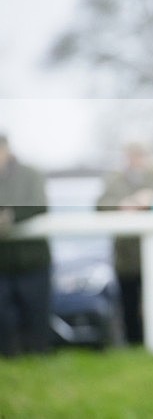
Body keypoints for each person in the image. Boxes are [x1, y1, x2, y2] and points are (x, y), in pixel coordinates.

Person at [96, 142, 153, 344]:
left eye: (140, 155)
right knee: (129, 304)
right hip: (126, 257)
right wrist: (122, 205)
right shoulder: (114, 180)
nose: (136, 160)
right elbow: (100, 205)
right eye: (132, 155)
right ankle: (134, 343)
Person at [0, 134, 52, 357]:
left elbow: (38, 204)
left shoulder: (30, 174)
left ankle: (38, 359)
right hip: (3, 262)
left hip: (32, 260)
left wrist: (10, 217)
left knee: (36, 316)